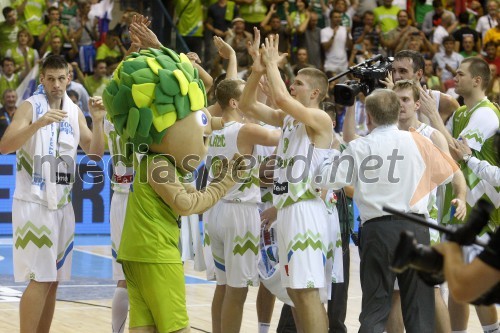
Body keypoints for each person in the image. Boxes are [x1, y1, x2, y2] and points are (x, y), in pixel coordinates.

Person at [317, 88, 463, 333]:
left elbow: (328, 179)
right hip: (417, 229)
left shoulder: (358, 146)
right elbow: (449, 175)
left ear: (369, 117)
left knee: (375, 308)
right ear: (397, 113)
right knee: (419, 310)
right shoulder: (421, 142)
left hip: (377, 232)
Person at [0, 55, 106, 333]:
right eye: (51, 79)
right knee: (41, 279)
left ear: (69, 78)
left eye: (61, 78)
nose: (57, 84)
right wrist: (38, 124)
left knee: (54, 280)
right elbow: (5, 146)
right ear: (43, 80)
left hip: (62, 204)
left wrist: (98, 121)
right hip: (33, 203)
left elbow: (94, 153)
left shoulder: (73, 109)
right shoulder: (29, 107)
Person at [240, 29, 334, 332]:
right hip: (287, 210)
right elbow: (248, 105)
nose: (292, 86)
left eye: (299, 83)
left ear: (315, 93)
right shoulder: (290, 119)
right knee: (295, 292)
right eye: (292, 81)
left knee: (306, 292)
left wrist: (270, 63)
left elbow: (279, 96)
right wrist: (257, 70)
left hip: (306, 211)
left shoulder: (320, 119)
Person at [419, 56, 500, 333]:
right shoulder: (462, 113)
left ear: (477, 80)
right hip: (459, 204)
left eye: (460, 73)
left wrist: (432, 115)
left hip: (483, 208)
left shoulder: (486, 113)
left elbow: (455, 152)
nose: (455, 77)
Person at [204, 78, 280, 333]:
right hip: (239, 212)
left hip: (216, 209)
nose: (252, 102)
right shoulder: (244, 131)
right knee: (237, 291)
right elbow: (280, 133)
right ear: (235, 102)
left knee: (223, 287)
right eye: (247, 97)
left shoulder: (214, 130)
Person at [385, 49, 459, 124]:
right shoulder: (387, 102)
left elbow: (461, 133)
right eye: (394, 71)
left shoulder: (444, 101)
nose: (396, 77)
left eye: (403, 71)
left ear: (419, 74)